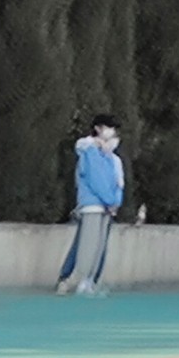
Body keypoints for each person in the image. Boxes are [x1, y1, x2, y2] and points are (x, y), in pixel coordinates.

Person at [58, 114, 124, 297]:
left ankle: (88, 282)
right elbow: (96, 179)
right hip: (92, 205)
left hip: (106, 208)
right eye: (108, 128)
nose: (112, 133)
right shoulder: (89, 151)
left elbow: (118, 183)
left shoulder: (111, 158)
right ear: (98, 129)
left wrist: (115, 203)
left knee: (98, 247)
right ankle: (73, 281)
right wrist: (111, 201)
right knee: (87, 246)